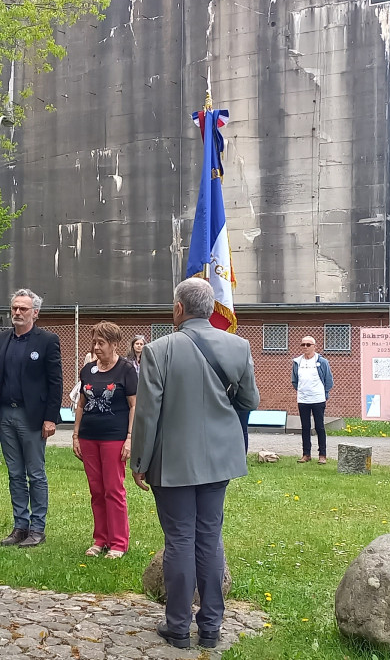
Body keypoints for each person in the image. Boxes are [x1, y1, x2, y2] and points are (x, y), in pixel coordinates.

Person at [131, 278, 259, 650]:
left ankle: (177, 625)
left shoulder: (158, 350)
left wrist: (139, 460)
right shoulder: (239, 346)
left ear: (178, 308)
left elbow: (147, 415)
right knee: (209, 537)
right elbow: (250, 400)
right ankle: (210, 627)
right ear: (212, 308)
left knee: (180, 540)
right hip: (219, 460)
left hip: (173, 462)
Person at [0, 288, 64, 547]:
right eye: (14, 308)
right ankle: (20, 526)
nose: (18, 313)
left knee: (36, 473)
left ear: (35, 313)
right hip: (6, 414)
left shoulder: (47, 340)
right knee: (14, 473)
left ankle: (37, 528)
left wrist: (50, 418)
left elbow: (56, 382)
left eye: (23, 308)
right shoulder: (2, 339)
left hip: (32, 417)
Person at [71, 321, 137, 559]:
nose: (96, 347)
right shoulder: (88, 370)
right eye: (94, 342)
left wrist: (130, 438)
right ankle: (100, 539)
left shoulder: (126, 369)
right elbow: (81, 403)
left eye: (101, 343)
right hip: (89, 437)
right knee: (96, 490)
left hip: (114, 438)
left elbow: (134, 405)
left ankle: (119, 542)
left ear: (114, 344)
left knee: (113, 489)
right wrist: (76, 434)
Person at [291, 336, 333, 464]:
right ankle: (306, 454)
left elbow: (328, 380)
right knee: (305, 427)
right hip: (303, 399)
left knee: (319, 427)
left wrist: (324, 393)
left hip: (318, 398)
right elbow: (295, 381)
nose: (305, 347)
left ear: (314, 346)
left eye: (308, 345)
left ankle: (322, 454)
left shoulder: (322, 362)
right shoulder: (297, 362)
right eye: (303, 344)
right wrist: (301, 390)